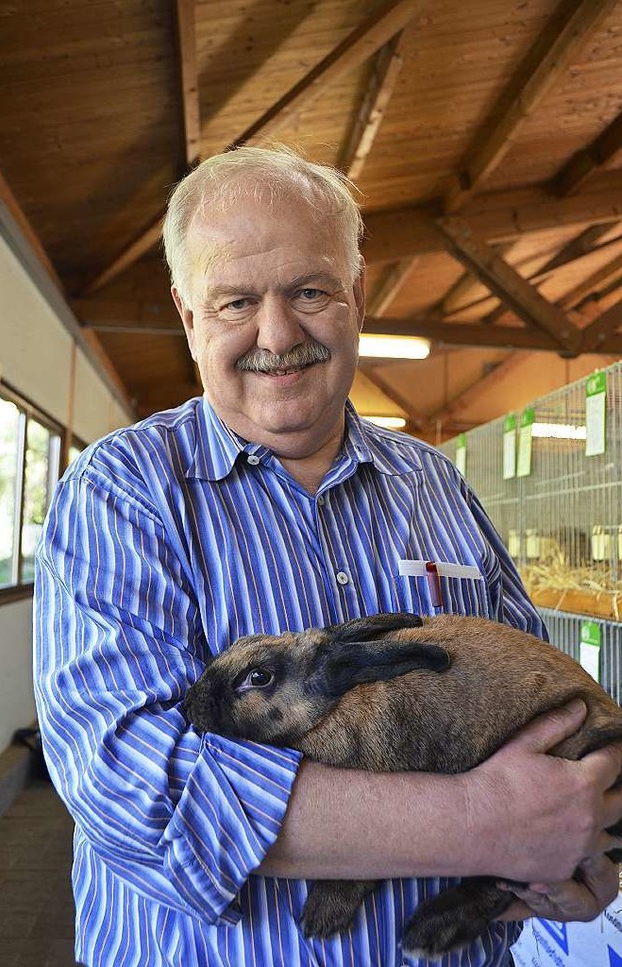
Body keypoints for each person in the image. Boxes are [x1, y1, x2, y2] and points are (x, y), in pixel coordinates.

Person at [34, 145, 622, 967]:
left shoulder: (438, 485)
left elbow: (550, 707)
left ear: (358, 295)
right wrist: (483, 820)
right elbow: (133, 786)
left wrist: (579, 853)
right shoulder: (121, 492)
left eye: (309, 291)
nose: (278, 334)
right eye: (236, 300)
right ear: (188, 314)